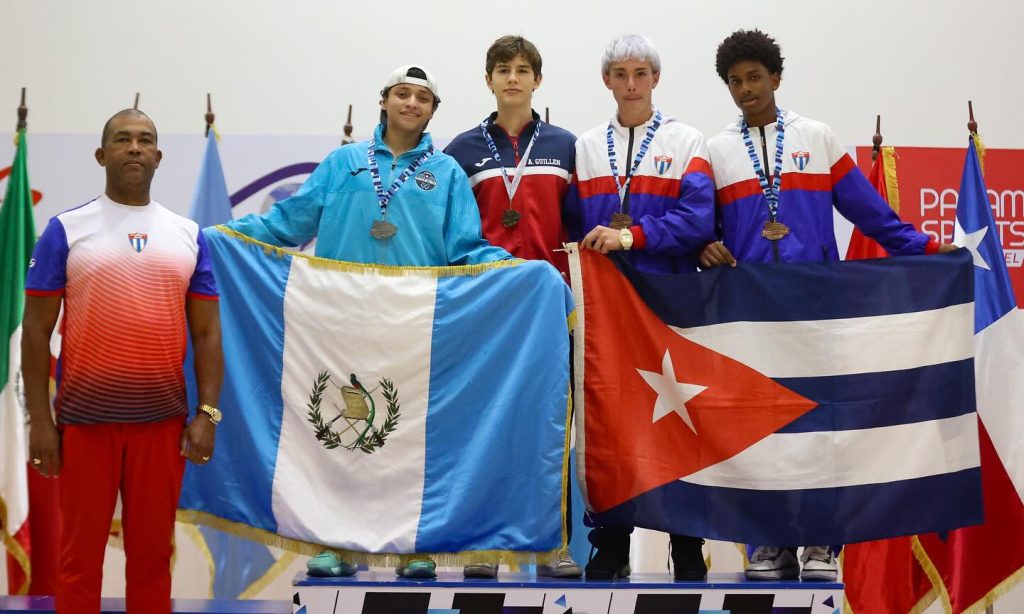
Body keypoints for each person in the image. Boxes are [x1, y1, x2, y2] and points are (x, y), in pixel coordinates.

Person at [229, 64, 512, 579]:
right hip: (342, 319)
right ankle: (336, 542)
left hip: (415, 323)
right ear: (383, 101)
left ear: (432, 111)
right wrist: (223, 235)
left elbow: (465, 247)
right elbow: (286, 223)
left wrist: (515, 270)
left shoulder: (446, 173)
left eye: (422, 98)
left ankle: (414, 546)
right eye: (402, 94)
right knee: (342, 432)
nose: (411, 104)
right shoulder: (343, 163)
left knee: (410, 437)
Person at [700, 29, 956, 582]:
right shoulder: (716, 151)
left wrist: (931, 248)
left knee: (820, 428)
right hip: (752, 311)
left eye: (754, 77)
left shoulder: (817, 138)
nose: (745, 89)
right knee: (759, 428)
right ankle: (767, 543)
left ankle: (819, 543)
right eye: (735, 81)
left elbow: (873, 216)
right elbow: (700, 227)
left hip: (818, 306)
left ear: (776, 77)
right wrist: (703, 245)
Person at [22, 109, 224, 614]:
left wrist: (207, 414)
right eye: (122, 139)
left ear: (158, 157)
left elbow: (207, 332)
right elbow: (35, 330)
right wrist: (41, 423)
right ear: (101, 154)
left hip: (161, 425)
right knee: (78, 560)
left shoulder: (187, 235)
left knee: (152, 559)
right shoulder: (65, 230)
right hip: (83, 425)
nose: (134, 147)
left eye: (145, 140)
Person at [564, 34, 715, 581]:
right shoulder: (584, 146)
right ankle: (610, 542)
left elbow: (699, 221)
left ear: (656, 79)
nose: (630, 83)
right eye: (620, 73)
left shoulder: (687, 140)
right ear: (607, 81)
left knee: (679, 424)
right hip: (605, 314)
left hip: (668, 305)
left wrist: (633, 238)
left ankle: (688, 545)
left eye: (641, 73)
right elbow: (570, 227)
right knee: (609, 428)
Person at [445, 34, 581, 580]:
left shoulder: (569, 145)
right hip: (486, 309)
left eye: (524, 69)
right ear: (488, 80)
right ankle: (481, 542)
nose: (513, 78)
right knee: (483, 424)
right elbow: (450, 233)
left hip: (551, 309)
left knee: (552, 428)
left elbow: (577, 226)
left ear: (538, 80)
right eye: (503, 69)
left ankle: (553, 543)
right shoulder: (461, 150)